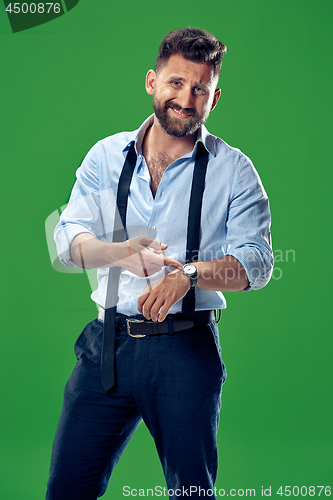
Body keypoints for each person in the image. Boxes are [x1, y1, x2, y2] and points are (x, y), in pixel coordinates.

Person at [46, 28, 273, 500]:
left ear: (214, 98)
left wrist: (189, 275)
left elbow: (257, 263)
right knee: (68, 488)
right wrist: (120, 251)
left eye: (200, 90)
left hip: (185, 351)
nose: (186, 99)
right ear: (152, 81)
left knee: (191, 492)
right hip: (107, 346)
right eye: (175, 83)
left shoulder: (234, 170)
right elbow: (68, 239)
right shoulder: (106, 156)